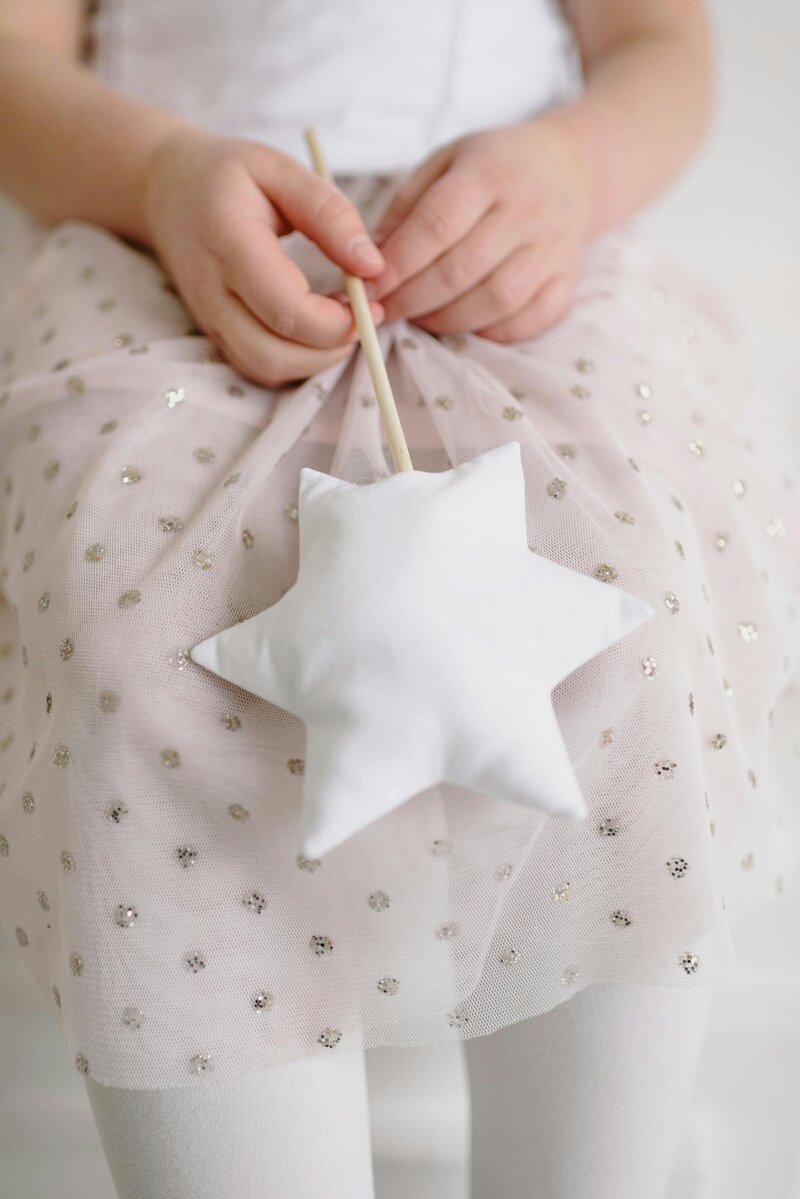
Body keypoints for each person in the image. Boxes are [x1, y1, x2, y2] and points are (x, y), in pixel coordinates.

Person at [0, 1, 797, 1196]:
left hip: (524, 243)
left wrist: (572, 167)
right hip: (153, 232)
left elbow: (657, 44)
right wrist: (158, 172)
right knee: (147, 650)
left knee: (627, 605)